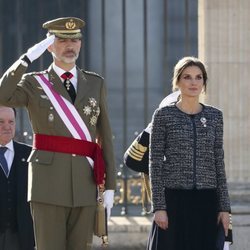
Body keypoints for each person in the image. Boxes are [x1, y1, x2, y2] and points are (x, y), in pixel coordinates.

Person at [0, 17, 116, 250]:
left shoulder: (94, 83)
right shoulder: (34, 83)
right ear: (50, 45)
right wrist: (26, 59)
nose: (70, 45)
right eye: (62, 40)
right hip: (47, 184)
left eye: (75, 40)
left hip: (85, 182)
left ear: (81, 44)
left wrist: (110, 185)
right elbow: (3, 96)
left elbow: (104, 134)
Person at [147, 56, 231, 250]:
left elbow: (219, 162)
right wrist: (159, 207)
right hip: (174, 201)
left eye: (198, 77)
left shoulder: (215, 116)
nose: (193, 82)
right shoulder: (163, 115)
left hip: (207, 201)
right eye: (187, 77)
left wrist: (224, 207)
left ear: (204, 82)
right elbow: (155, 162)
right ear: (177, 81)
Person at [0, 106, 35, 250]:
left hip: (22, 238)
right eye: (0, 122)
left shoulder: (29, 155)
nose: (7, 127)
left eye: (11, 122)